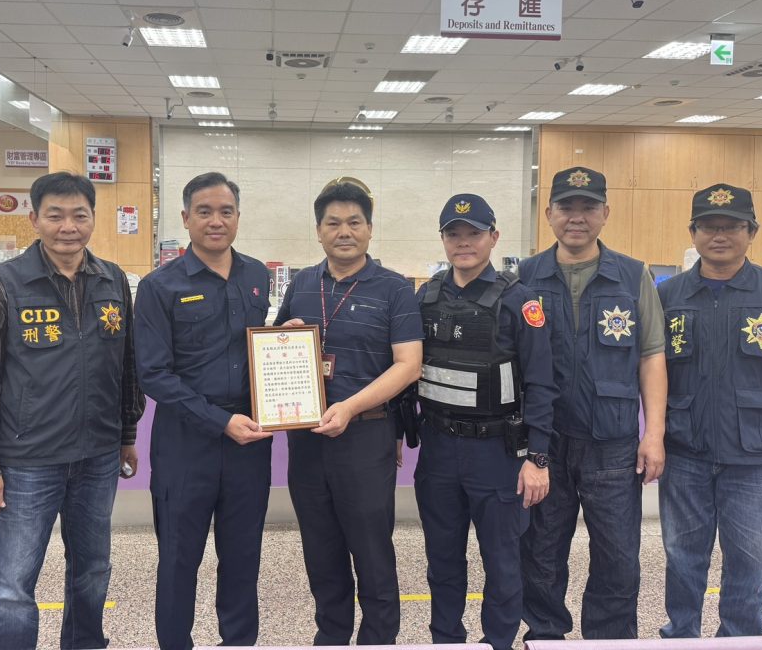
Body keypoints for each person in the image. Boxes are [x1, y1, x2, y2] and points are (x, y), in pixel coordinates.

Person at [0, 171, 144, 650]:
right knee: (13, 584)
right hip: (27, 461)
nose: (68, 227)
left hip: (97, 455)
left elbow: (125, 364)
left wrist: (126, 434)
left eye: (79, 215)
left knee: (92, 569)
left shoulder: (112, 280)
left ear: (93, 219)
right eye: (55, 215)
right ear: (35, 220)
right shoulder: (4, 282)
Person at [657, 183, 762, 638]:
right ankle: (681, 641)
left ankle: (742, 643)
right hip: (684, 453)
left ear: (752, 232)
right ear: (692, 232)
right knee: (681, 562)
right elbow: (652, 374)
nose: (720, 235)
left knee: (749, 569)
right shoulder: (667, 295)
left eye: (732, 226)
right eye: (709, 226)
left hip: (754, 458)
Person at [519, 166, 667, 640]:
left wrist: (654, 434)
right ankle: (544, 637)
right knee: (541, 552)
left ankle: (610, 640)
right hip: (547, 441)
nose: (576, 217)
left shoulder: (633, 275)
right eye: (567, 207)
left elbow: (651, 356)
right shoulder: (525, 276)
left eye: (588, 207)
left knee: (617, 557)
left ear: (606, 213)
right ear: (549, 213)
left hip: (613, 442)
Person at [276, 181, 423, 645]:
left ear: (370, 230)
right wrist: (285, 331)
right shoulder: (302, 283)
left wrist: (350, 406)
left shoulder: (395, 288)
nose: (344, 232)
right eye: (333, 223)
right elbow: (274, 345)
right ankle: (332, 636)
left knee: (372, 552)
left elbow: (409, 365)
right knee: (320, 552)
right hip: (307, 439)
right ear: (318, 231)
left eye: (354, 222)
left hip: (365, 436)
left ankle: (378, 640)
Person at [411, 194, 558, 650]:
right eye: (453, 234)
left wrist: (537, 458)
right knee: (442, 561)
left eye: (473, 233)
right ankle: (446, 641)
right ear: (443, 239)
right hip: (438, 450)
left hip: (497, 454)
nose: (463, 242)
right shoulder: (426, 296)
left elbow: (542, 385)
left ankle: (498, 642)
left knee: (502, 563)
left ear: (493, 237)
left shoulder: (519, 301)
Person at [134, 172, 272, 650]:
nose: (216, 221)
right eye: (205, 211)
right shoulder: (159, 286)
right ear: (186, 218)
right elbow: (154, 374)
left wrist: (286, 340)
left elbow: (254, 350)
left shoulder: (257, 276)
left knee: (243, 558)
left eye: (226, 211)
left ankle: (239, 643)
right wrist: (220, 421)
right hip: (185, 445)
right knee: (178, 559)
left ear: (238, 217)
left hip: (249, 442)